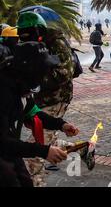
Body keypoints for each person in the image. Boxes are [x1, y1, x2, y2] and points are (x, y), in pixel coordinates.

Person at [0, 41, 79, 187]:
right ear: (29, 72)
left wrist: (61, 125)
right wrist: (45, 151)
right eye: (42, 73)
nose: (44, 79)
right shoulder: (4, 93)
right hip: (4, 145)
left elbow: (34, 113)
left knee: (25, 180)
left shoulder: (21, 87)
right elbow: (3, 142)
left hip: (8, 144)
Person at [16, 12, 76, 183]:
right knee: (47, 137)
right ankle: (80, 149)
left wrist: (36, 79)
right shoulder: (26, 45)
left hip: (56, 98)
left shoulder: (56, 43)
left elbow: (65, 73)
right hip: (38, 100)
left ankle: (35, 180)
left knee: (36, 150)